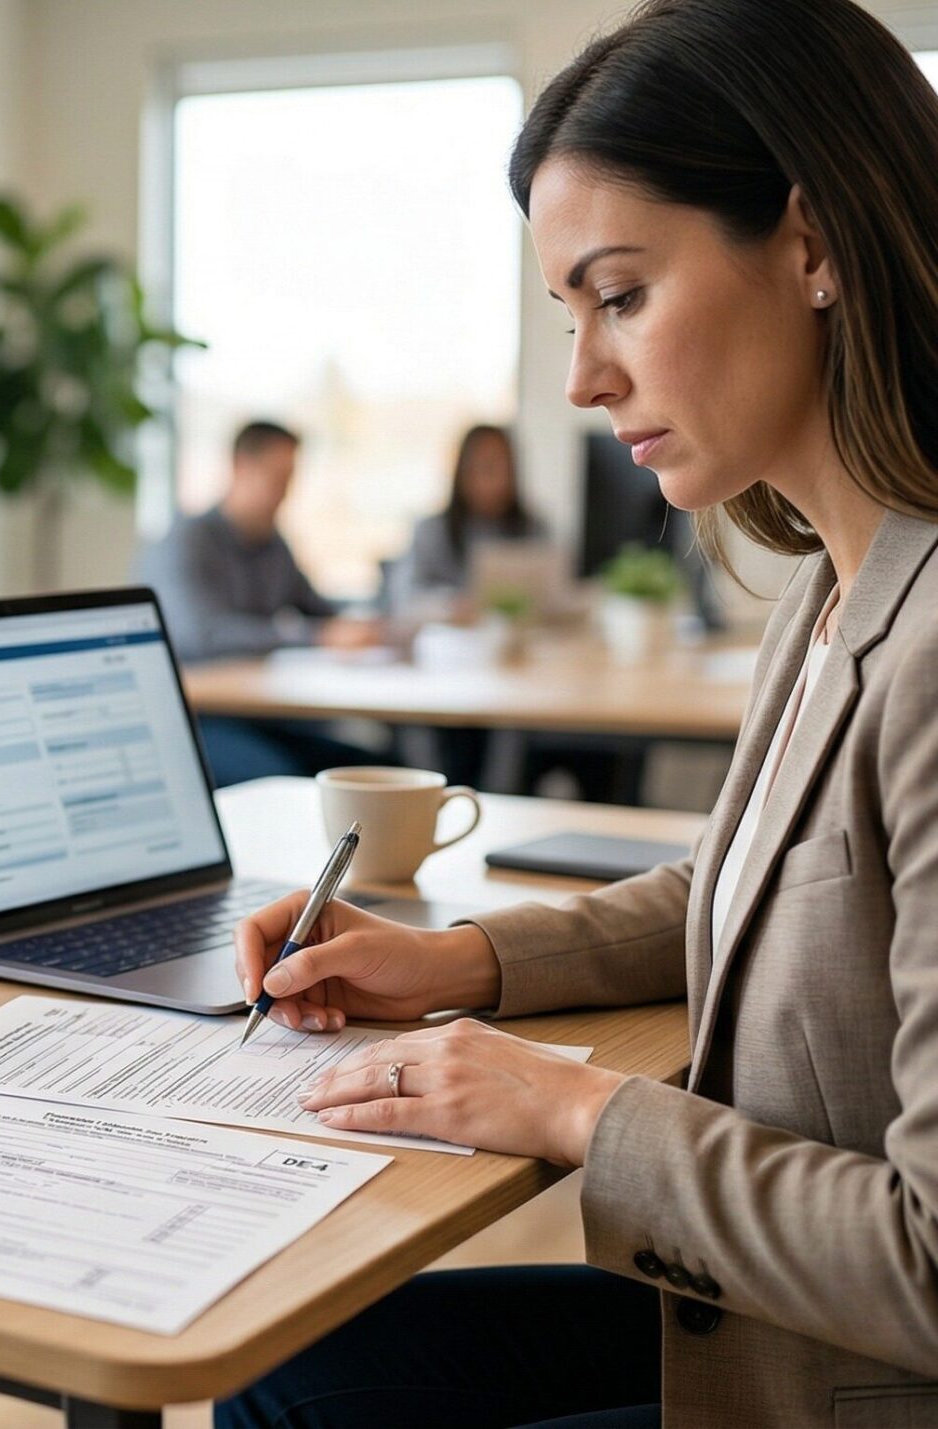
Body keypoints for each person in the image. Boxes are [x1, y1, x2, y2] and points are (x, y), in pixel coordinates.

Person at [215, 2, 938, 1426]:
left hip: (864, 1371)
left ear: (812, 246)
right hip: (782, 1320)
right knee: (295, 1380)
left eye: (619, 295)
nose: (581, 379)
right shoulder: (835, 579)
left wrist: (566, 1107)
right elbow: (753, 885)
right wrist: (459, 962)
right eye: (569, 313)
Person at [137, 421, 386, 784]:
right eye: (275, 477)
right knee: (288, 781)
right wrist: (315, 636)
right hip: (199, 718)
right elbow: (205, 637)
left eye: (288, 479)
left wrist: (368, 626)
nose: (282, 492)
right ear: (240, 466)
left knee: (375, 766)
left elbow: (318, 609)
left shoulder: (272, 544)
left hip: (261, 713)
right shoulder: (188, 542)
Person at [398, 424, 542, 608]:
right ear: (464, 472)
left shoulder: (534, 528)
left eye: (507, 469)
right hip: (449, 633)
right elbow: (407, 597)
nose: (500, 481)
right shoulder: (433, 531)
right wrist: (451, 604)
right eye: (489, 469)